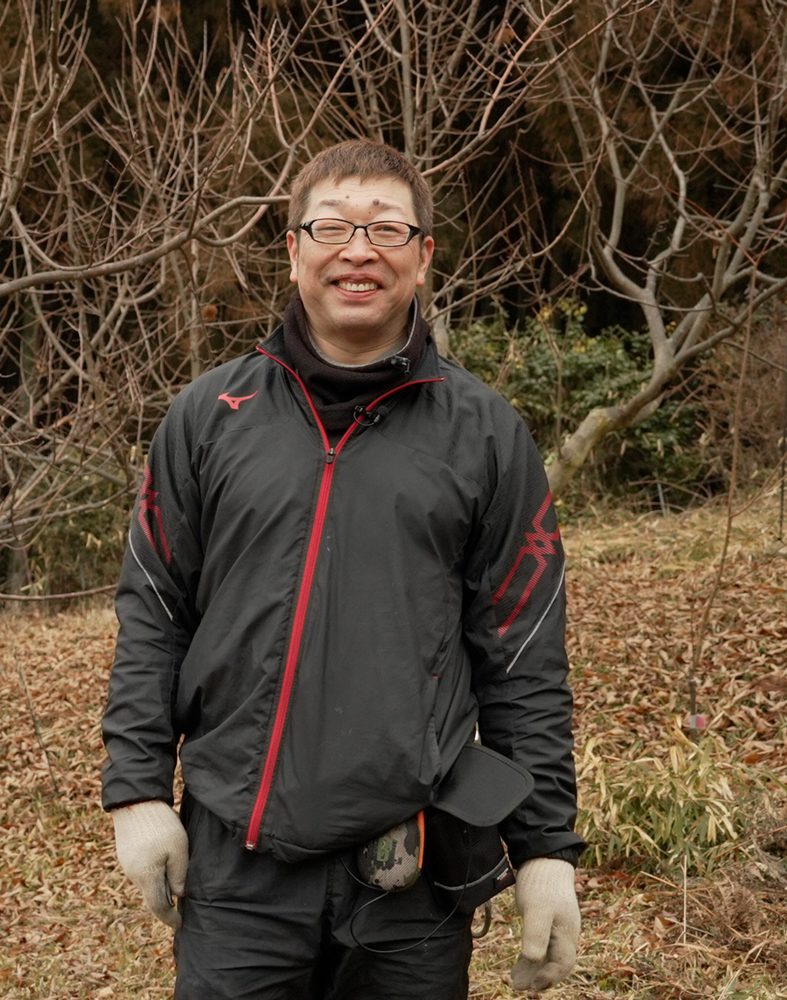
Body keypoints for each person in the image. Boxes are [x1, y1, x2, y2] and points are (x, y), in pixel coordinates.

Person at [101, 139, 584, 999]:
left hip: (411, 874)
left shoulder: (485, 435)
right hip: (238, 866)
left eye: (388, 229)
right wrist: (136, 791)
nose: (358, 250)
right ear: (293, 251)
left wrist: (545, 850)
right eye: (332, 226)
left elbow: (523, 658)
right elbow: (155, 613)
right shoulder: (209, 418)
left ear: (424, 257)